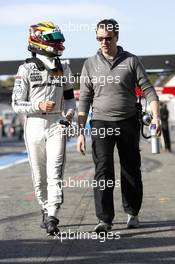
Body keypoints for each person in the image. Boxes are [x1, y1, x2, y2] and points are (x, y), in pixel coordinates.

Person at [77, 19, 161, 233]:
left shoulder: (131, 61)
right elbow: (84, 99)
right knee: (103, 170)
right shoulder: (90, 64)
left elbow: (149, 90)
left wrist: (157, 116)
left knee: (130, 169)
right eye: (99, 38)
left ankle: (132, 212)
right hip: (101, 122)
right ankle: (104, 220)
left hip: (128, 122)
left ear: (117, 37)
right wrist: (79, 131)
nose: (103, 42)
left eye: (108, 38)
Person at [12, 21, 76, 235]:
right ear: (40, 40)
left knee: (55, 170)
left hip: (57, 123)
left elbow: (69, 98)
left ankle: (52, 214)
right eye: (55, 39)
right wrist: (37, 105)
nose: (59, 43)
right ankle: (44, 207)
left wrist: (67, 115)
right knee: (39, 175)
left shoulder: (63, 67)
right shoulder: (26, 68)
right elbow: (16, 103)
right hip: (34, 124)